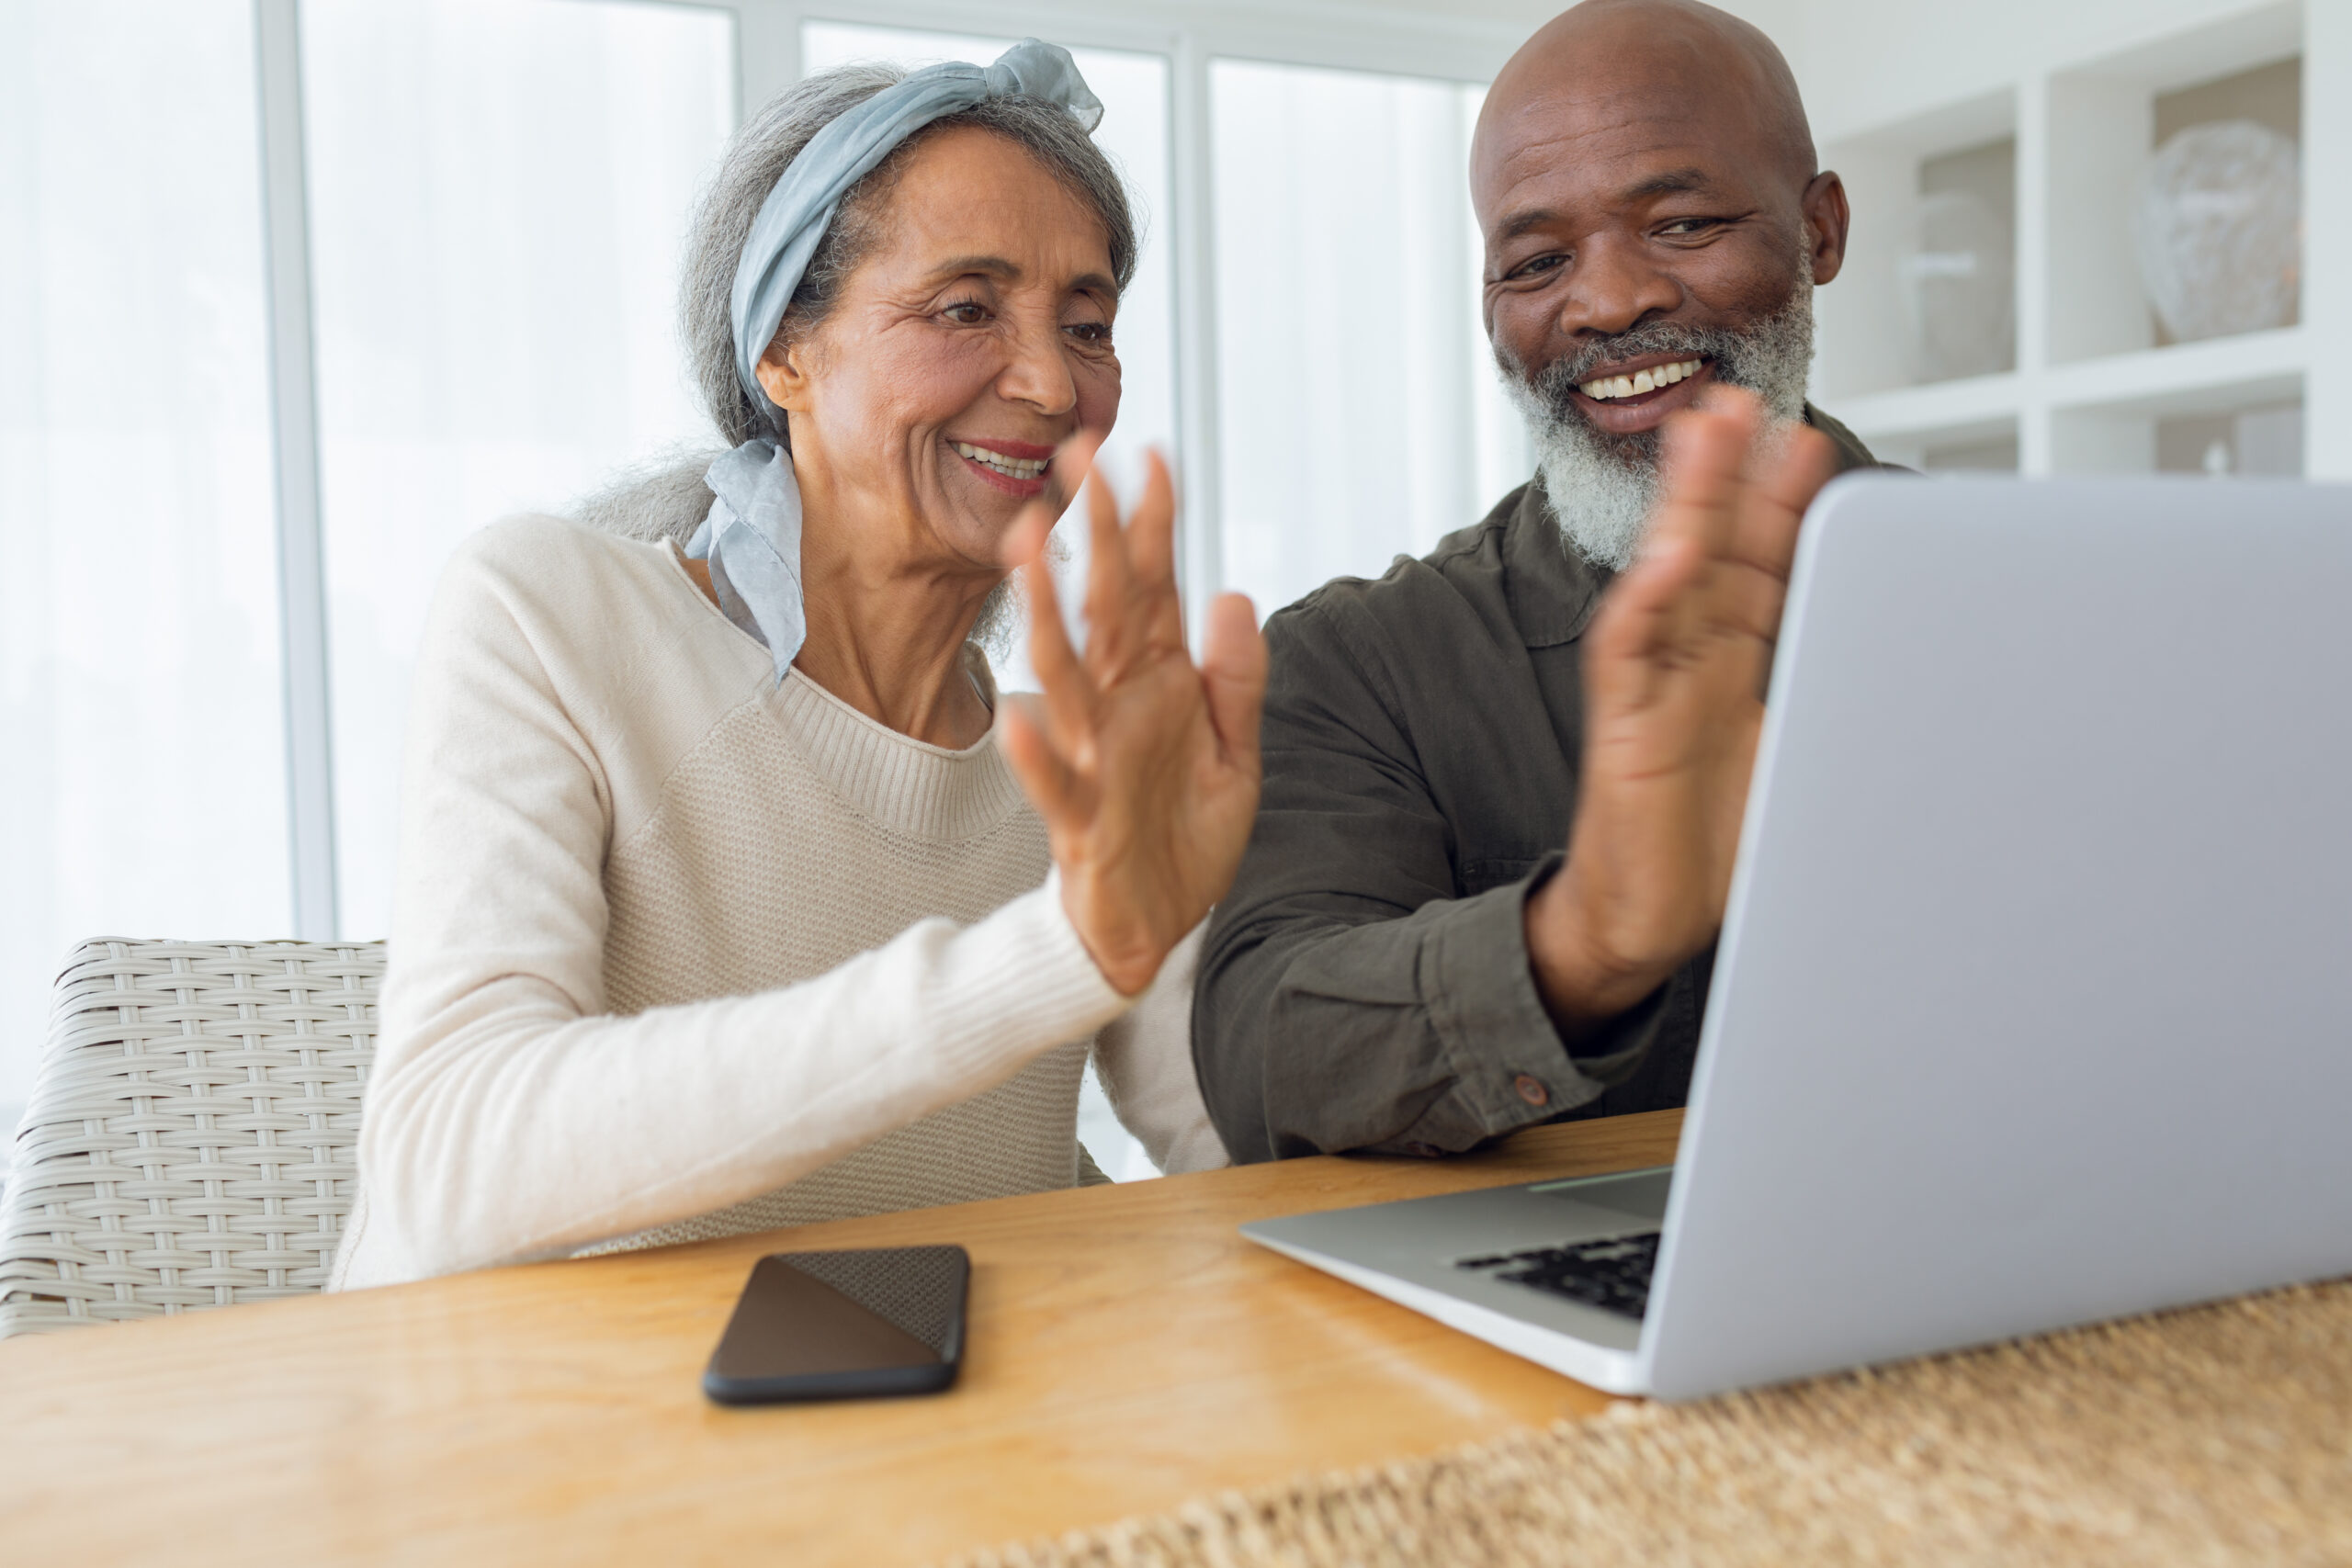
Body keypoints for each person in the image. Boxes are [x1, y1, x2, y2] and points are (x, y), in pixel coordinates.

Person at [331, 42, 1263, 1290]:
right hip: (501, 1441)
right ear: (785, 351)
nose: (1052, 385)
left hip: (916, 1447)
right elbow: (451, 1160)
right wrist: (1055, 953)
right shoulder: (555, 611)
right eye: (965, 307)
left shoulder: (1074, 760)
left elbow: (1236, 1166)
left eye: (1087, 326)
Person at [1193, 0, 1893, 1161]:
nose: (1609, 302)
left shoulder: (2022, 609)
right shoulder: (1360, 662)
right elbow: (1270, 1062)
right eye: (1535, 260)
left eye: (1680, 223)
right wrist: (1583, 937)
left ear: (1817, 230)